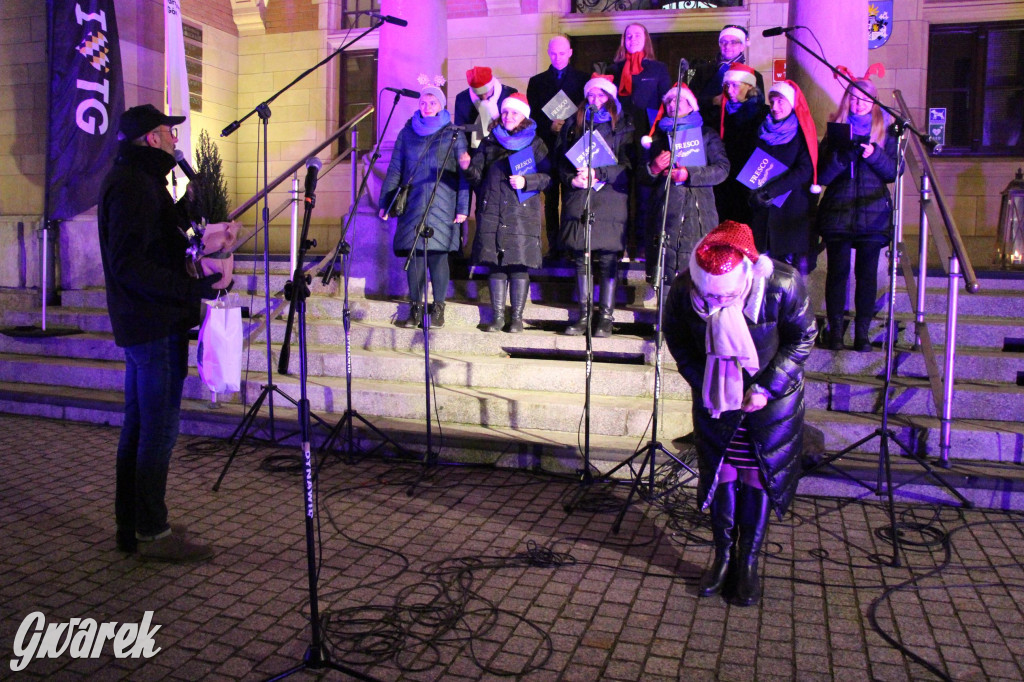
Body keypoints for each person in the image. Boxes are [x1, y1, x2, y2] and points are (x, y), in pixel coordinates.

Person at [98, 104, 235, 563]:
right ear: (151, 140)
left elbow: (152, 240)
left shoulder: (139, 181)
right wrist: (189, 288)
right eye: (169, 134)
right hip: (153, 323)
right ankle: (152, 532)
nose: (177, 140)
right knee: (158, 429)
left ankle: (131, 524)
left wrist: (187, 212)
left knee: (139, 427)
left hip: (146, 323)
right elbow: (129, 261)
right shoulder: (135, 185)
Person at [663, 220, 816, 607]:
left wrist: (766, 388)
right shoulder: (685, 288)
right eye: (709, 299)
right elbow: (678, 339)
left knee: (757, 473)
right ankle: (723, 557)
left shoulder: (783, 284)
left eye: (727, 297)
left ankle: (748, 563)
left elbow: (803, 337)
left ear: (749, 275)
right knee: (722, 474)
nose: (716, 306)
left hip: (771, 401)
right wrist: (705, 383)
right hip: (718, 399)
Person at [816, 70, 899, 351]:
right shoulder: (834, 130)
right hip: (838, 213)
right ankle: (836, 331)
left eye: (865, 98)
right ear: (847, 101)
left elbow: (892, 172)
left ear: (874, 102)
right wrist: (842, 157)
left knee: (867, 275)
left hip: (872, 214)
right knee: (837, 274)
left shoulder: (885, 132)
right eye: (853, 98)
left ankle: (862, 334)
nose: (859, 103)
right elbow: (822, 175)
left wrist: (873, 154)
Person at [379, 80, 469, 329]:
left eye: (432, 102)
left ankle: (438, 308)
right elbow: (395, 168)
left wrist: (463, 207)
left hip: (444, 202)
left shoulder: (454, 133)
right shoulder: (407, 133)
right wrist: (386, 202)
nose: (427, 106)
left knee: (438, 256)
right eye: (423, 102)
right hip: (414, 203)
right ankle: (415, 309)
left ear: (440, 106)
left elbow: (463, 173)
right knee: (415, 256)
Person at [459, 93, 551, 333]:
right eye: (506, 112)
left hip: (522, 215)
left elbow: (548, 178)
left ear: (524, 117)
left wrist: (527, 181)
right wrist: (468, 168)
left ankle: (517, 318)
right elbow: (477, 177)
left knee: (519, 265)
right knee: (496, 265)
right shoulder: (489, 141)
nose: (509, 116)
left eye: (515, 112)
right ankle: (498, 317)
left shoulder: (536, 143)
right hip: (493, 211)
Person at [557, 74, 634, 337]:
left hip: (610, 196)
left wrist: (599, 173)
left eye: (601, 96)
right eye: (591, 95)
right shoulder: (573, 124)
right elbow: (561, 163)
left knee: (608, 258)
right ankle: (583, 314)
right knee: (582, 257)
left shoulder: (623, 127)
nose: (595, 100)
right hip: (580, 195)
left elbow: (628, 165)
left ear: (611, 99)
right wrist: (572, 179)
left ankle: (605, 317)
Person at [640, 82, 730, 282]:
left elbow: (722, 169)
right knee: (667, 273)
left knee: (698, 274)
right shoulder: (656, 138)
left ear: (691, 105)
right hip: (666, 211)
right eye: (669, 100)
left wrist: (688, 174)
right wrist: (653, 168)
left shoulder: (706, 134)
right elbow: (641, 176)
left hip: (699, 212)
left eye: (679, 100)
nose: (673, 104)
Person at [606, 23, 670, 260]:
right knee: (619, 193)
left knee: (644, 195)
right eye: (628, 35)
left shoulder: (658, 69)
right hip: (620, 140)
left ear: (646, 39)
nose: (632, 38)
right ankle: (619, 245)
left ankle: (642, 245)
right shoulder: (613, 69)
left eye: (637, 35)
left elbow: (666, 104)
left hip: (647, 140)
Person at [747, 80, 820, 275]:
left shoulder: (801, 132)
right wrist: (754, 193)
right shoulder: (762, 129)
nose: (775, 107)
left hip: (790, 211)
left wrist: (772, 191)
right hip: (763, 211)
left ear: (791, 103)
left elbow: (805, 169)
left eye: (781, 101)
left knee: (786, 277)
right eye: (772, 102)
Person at [527, 35, 588, 258]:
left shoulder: (583, 79)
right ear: (548, 53)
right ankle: (554, 246)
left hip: (573, 146)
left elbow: (587, 111)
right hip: (548, 147)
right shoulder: (537, 82)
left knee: (573, 197)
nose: (558, 57)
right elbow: (531, 116)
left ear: (570, 52)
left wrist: (571, 125)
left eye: (562, 53)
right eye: (553, 53)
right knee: (550, 199)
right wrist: (548, 125)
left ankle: (571, 245)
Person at [713, 63, 767, 226]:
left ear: (750, 86)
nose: (729, 90)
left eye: (735, 85)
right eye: (727, 85)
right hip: (725, 179)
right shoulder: (720, 113)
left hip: (750, 180)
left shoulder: (762, 114)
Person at [690, 25, 766, 124]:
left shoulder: (754, 75)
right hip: (706, 127)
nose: (727, 46)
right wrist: (713, 100)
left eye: (733, 42)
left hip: (739, 128)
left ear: (742, 46)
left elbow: (759, 107)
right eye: (723, 42)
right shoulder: (702, 71)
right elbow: (690, 99)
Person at [454, 66, 518, 151]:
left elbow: (516, 125)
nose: (484, 98)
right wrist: (462, 152)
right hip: (475, 150)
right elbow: (460, 129)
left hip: (505, 147)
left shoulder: (509, 94)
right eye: (479, 95)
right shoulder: (462, 99)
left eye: (487, 93)